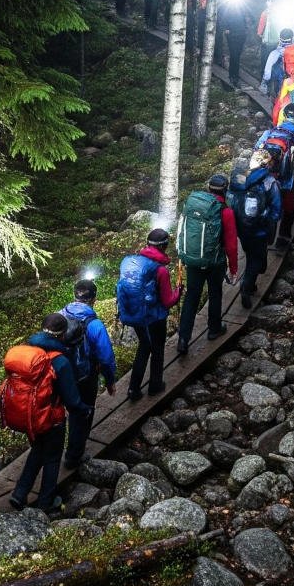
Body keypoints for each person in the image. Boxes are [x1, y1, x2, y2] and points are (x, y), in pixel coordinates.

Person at [9, 314, 92, 512]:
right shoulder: (60, 361)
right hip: (52, 418)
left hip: (30, 415)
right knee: (53, 458)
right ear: (62, 335)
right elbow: (72, 400)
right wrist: (84, 409)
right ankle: (46, 502)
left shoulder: (28, 351)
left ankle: (20, 494)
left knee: (37, 451)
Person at [176, 174, 239, 354]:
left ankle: (183, 338)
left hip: (194, 260)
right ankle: (214, 329)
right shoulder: (225, 211)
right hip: (214, 262)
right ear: (225, 190)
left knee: (191, 298)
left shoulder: (194, 204)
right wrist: (233, 268)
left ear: (208, 188)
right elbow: (231, 244)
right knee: (215, 293)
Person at [118, 228, 182, 400]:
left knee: (144, 346)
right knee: (158, 350)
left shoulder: (133, 262)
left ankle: (133, 389)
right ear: (164, 246)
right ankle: (155, 385)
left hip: (136, 315)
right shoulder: (160, 270)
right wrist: (179, 291)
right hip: (154, 317)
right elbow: (168, 301)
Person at [59, 279, 118, 469]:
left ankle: (58, 451)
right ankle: (74, 456)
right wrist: (110, 380)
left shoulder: (59, 316)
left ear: (74, 295)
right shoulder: (94, 324)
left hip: (60, 374)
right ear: (94, 298)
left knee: (64, 412)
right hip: (84, 376)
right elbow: (106, 356)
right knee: (83, 413)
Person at [258, 103, 294, 250]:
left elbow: (257, 149)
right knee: (288, 209)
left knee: (269, 205)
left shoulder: (269, 133)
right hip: (288, 181)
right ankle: (282, 241)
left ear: (284, 115)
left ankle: (265, 238)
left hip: (267, 178)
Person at [230, 150, 282, 309]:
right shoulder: (269, 181)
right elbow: (276, 208)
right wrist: (269, 222)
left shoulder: (240, 178)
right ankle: (246, 288)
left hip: (241, 228)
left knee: (251, 255)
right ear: (266, 163)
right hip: (259, 229)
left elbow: (231, 198)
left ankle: (250, 286)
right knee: (255, 260)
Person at [261, 27, 294, 98]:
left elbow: (267, 72)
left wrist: (264, 83)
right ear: (292, 39)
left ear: (280, 39)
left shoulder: (274, 54)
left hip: (280, 86)